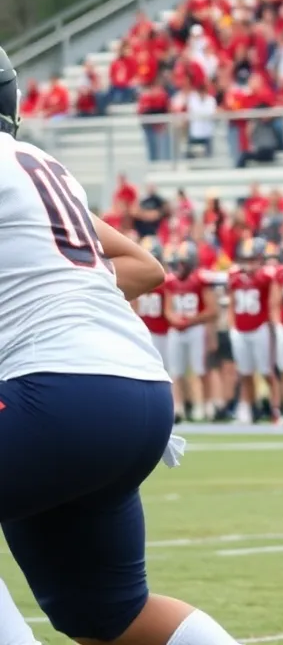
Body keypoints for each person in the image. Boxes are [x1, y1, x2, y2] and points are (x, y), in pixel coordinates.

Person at [0, 46, 240, 643]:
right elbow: (142, 264)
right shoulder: (34, 163)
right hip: (136, 394)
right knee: (110, 617)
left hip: (57, 396)